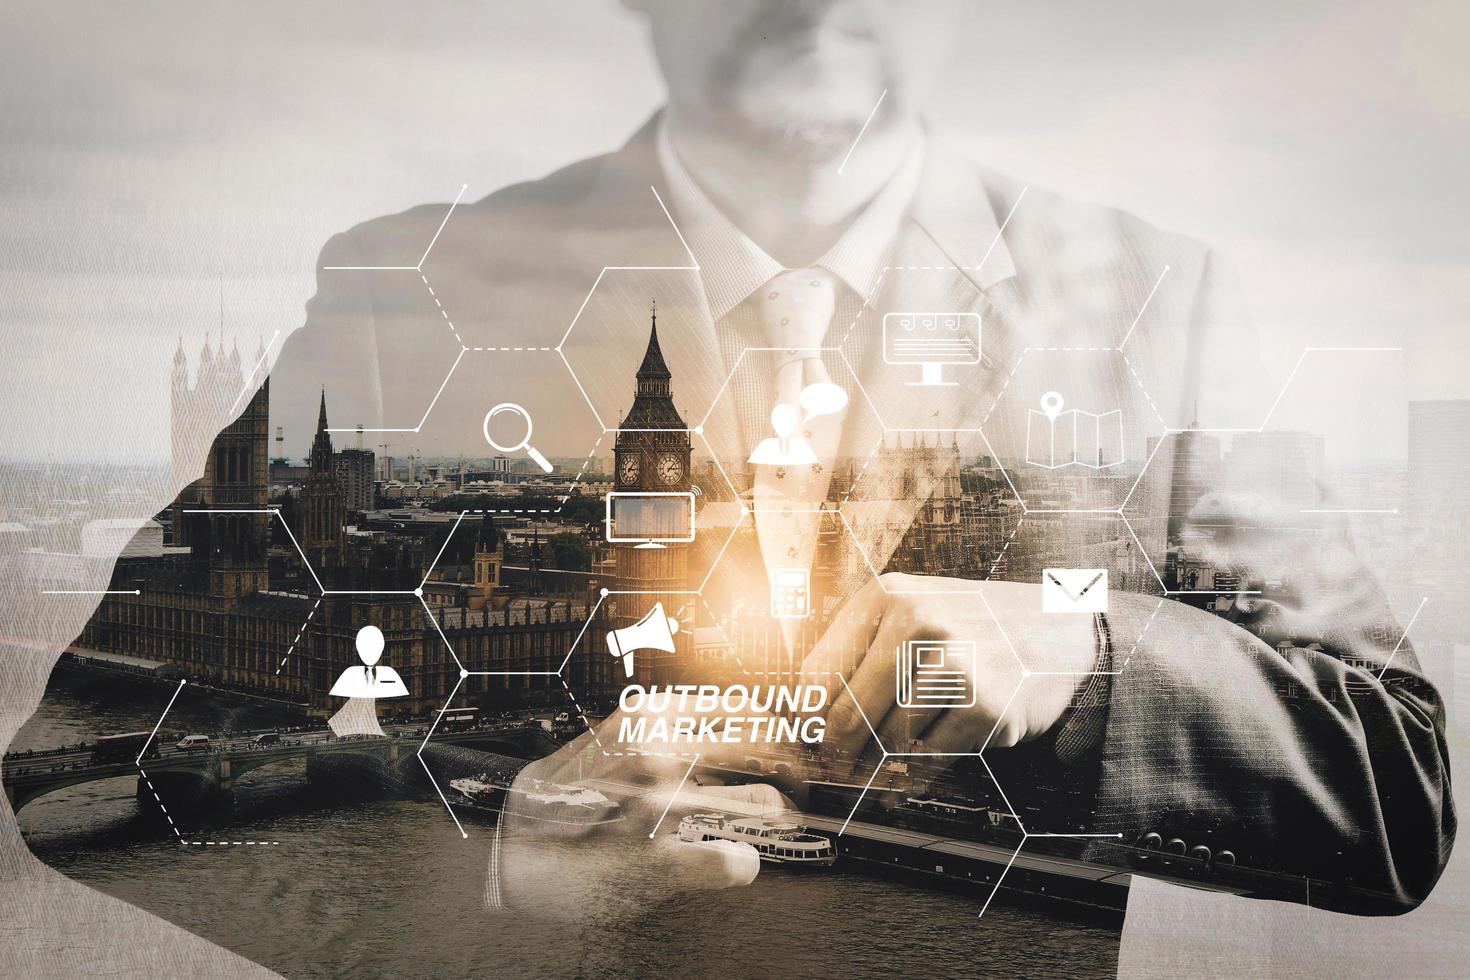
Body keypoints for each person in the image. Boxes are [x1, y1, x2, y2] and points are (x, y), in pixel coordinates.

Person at [269, 0, 1451, 918]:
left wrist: (1088, 654)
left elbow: (1395, 783)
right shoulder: (392, 278)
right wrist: (501, 894)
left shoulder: (1169, 296)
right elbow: (249, 808)